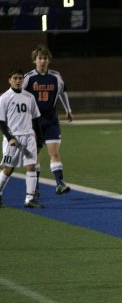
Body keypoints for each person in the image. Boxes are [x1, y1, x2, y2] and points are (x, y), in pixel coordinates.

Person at [23, 44, 73, 198]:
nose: (43, 61)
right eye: (40, 58)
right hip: (34, 121)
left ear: (49, 60)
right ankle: (35, 187)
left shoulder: (56, 76)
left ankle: (59, 184)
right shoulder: (28, 78)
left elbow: (62, 92)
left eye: (45, 58)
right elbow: (21, 98)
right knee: (35, 155)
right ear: (34, 61)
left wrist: (68, 109)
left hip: (51, 120)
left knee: (55, 153)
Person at [0, 68, 44, 209]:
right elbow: (1, 122)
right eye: (15, 78)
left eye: (20, 78)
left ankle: (29, 199)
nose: (18, 81)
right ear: (10, 80)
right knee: (8, 169)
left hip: (28, 136)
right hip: (13, 138)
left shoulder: (29, 97)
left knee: (31, 166)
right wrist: (9, 137)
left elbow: (36, 120)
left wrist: (40, 140)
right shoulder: (4, 98)